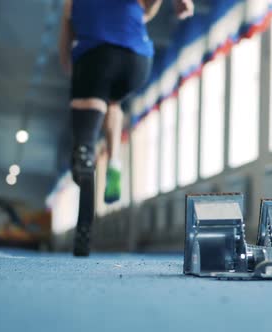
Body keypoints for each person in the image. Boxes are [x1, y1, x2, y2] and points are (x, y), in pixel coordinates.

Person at [58, 0, 194, 256]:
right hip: (137, 62)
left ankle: (84, 229)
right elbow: (146, 11)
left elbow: (67, 37)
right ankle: (114, 161)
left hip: (95, 58)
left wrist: (70, 67)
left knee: (84, 148)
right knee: (113, 101)